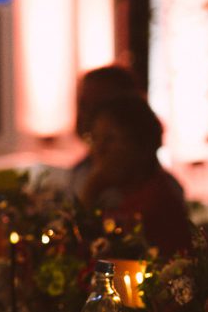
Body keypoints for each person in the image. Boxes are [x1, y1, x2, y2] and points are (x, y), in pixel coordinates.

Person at [79, 94, 193, 258]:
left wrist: (91, 190)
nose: (99, 150)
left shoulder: (153, 203)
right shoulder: (127, 196)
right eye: (95, 138)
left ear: (142, 146)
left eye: (110, 139)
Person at [70, 64, 144, 198]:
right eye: (82, 105)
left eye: (96, 106)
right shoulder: (81, 170)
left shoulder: (144, 186)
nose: (84, 114)